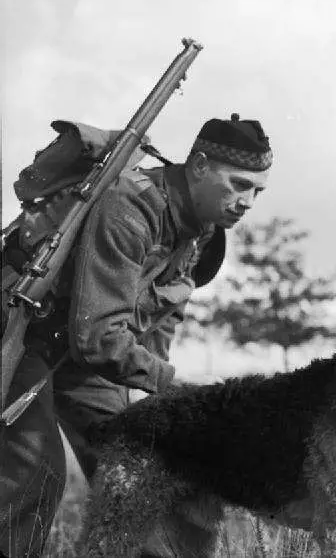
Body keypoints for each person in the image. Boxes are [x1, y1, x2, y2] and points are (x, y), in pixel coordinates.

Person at [0, 114, 273, 558]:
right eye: (239, 184)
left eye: (258, 191)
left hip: (80, 352)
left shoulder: (204, 232)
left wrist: (162, 406)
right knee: (34, 468)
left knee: (146, 462)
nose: (247, 202)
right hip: (22, 328)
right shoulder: (131, 208)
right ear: (200, 166)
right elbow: (99, 338)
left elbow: (163, 317)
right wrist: (173, 386)